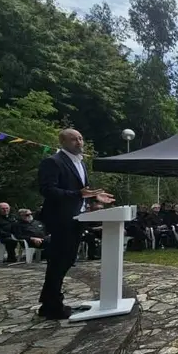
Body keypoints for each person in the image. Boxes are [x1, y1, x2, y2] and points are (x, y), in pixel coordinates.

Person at [37, 129, 114, 319]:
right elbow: (48, 190)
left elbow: (81, 192)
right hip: (60, 219)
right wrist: (78, 195)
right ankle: (53, 306)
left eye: (80, 138)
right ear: (62, 141)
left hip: (76, 218)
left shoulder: (80, 163)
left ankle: (47, 303)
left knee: (66, 261)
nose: (79, 142)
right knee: (58, 261)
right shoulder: (53, 162)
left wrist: (94, 197)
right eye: (73, 139)